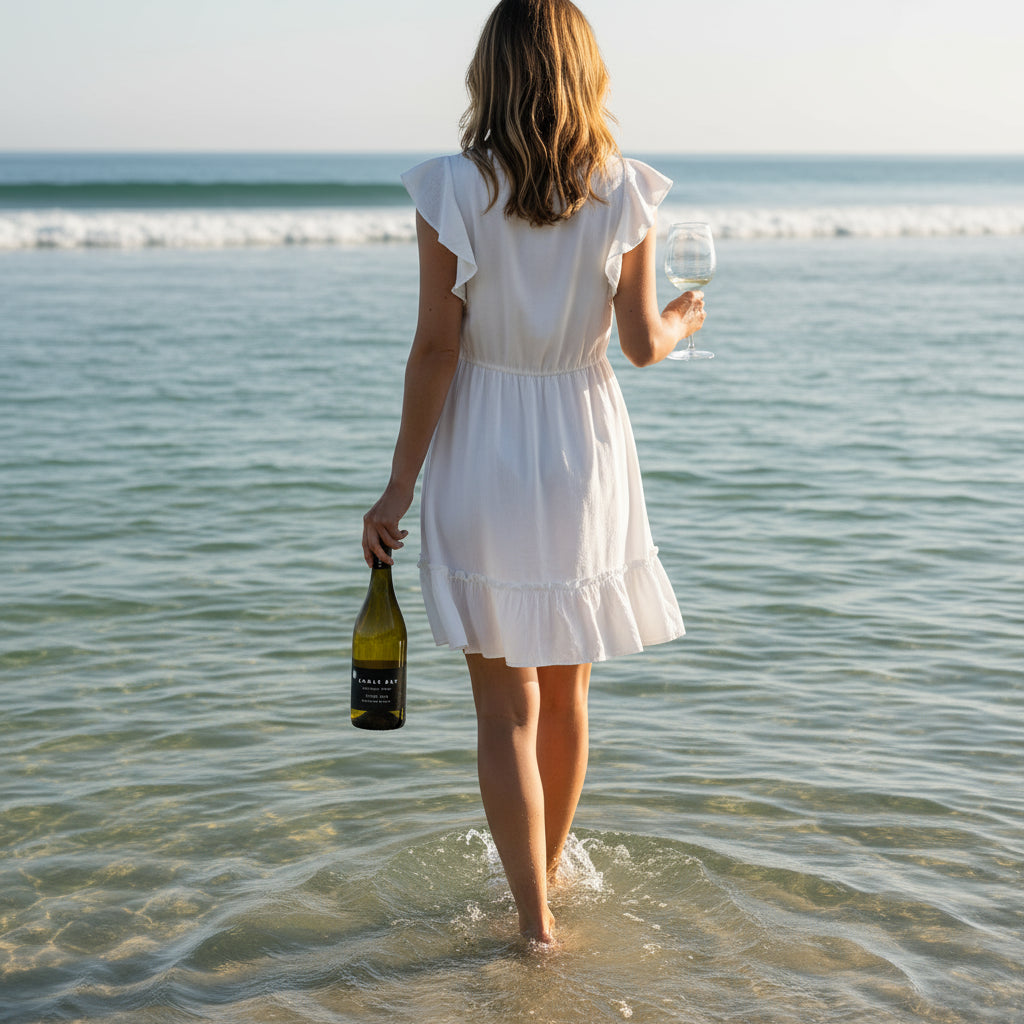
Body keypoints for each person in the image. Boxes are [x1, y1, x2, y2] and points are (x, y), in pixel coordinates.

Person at [361, 0, 705, 945]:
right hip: (582, 447)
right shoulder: (621, 187)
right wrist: (683, 321)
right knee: (567, 692)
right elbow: (639, 345)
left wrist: (397, 487)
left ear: (491, 72)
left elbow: (436, 347)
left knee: (503, 706)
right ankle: (549, 881)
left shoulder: (452, 188)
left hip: (483, 445)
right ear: (584, 72)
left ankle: (534, 922)